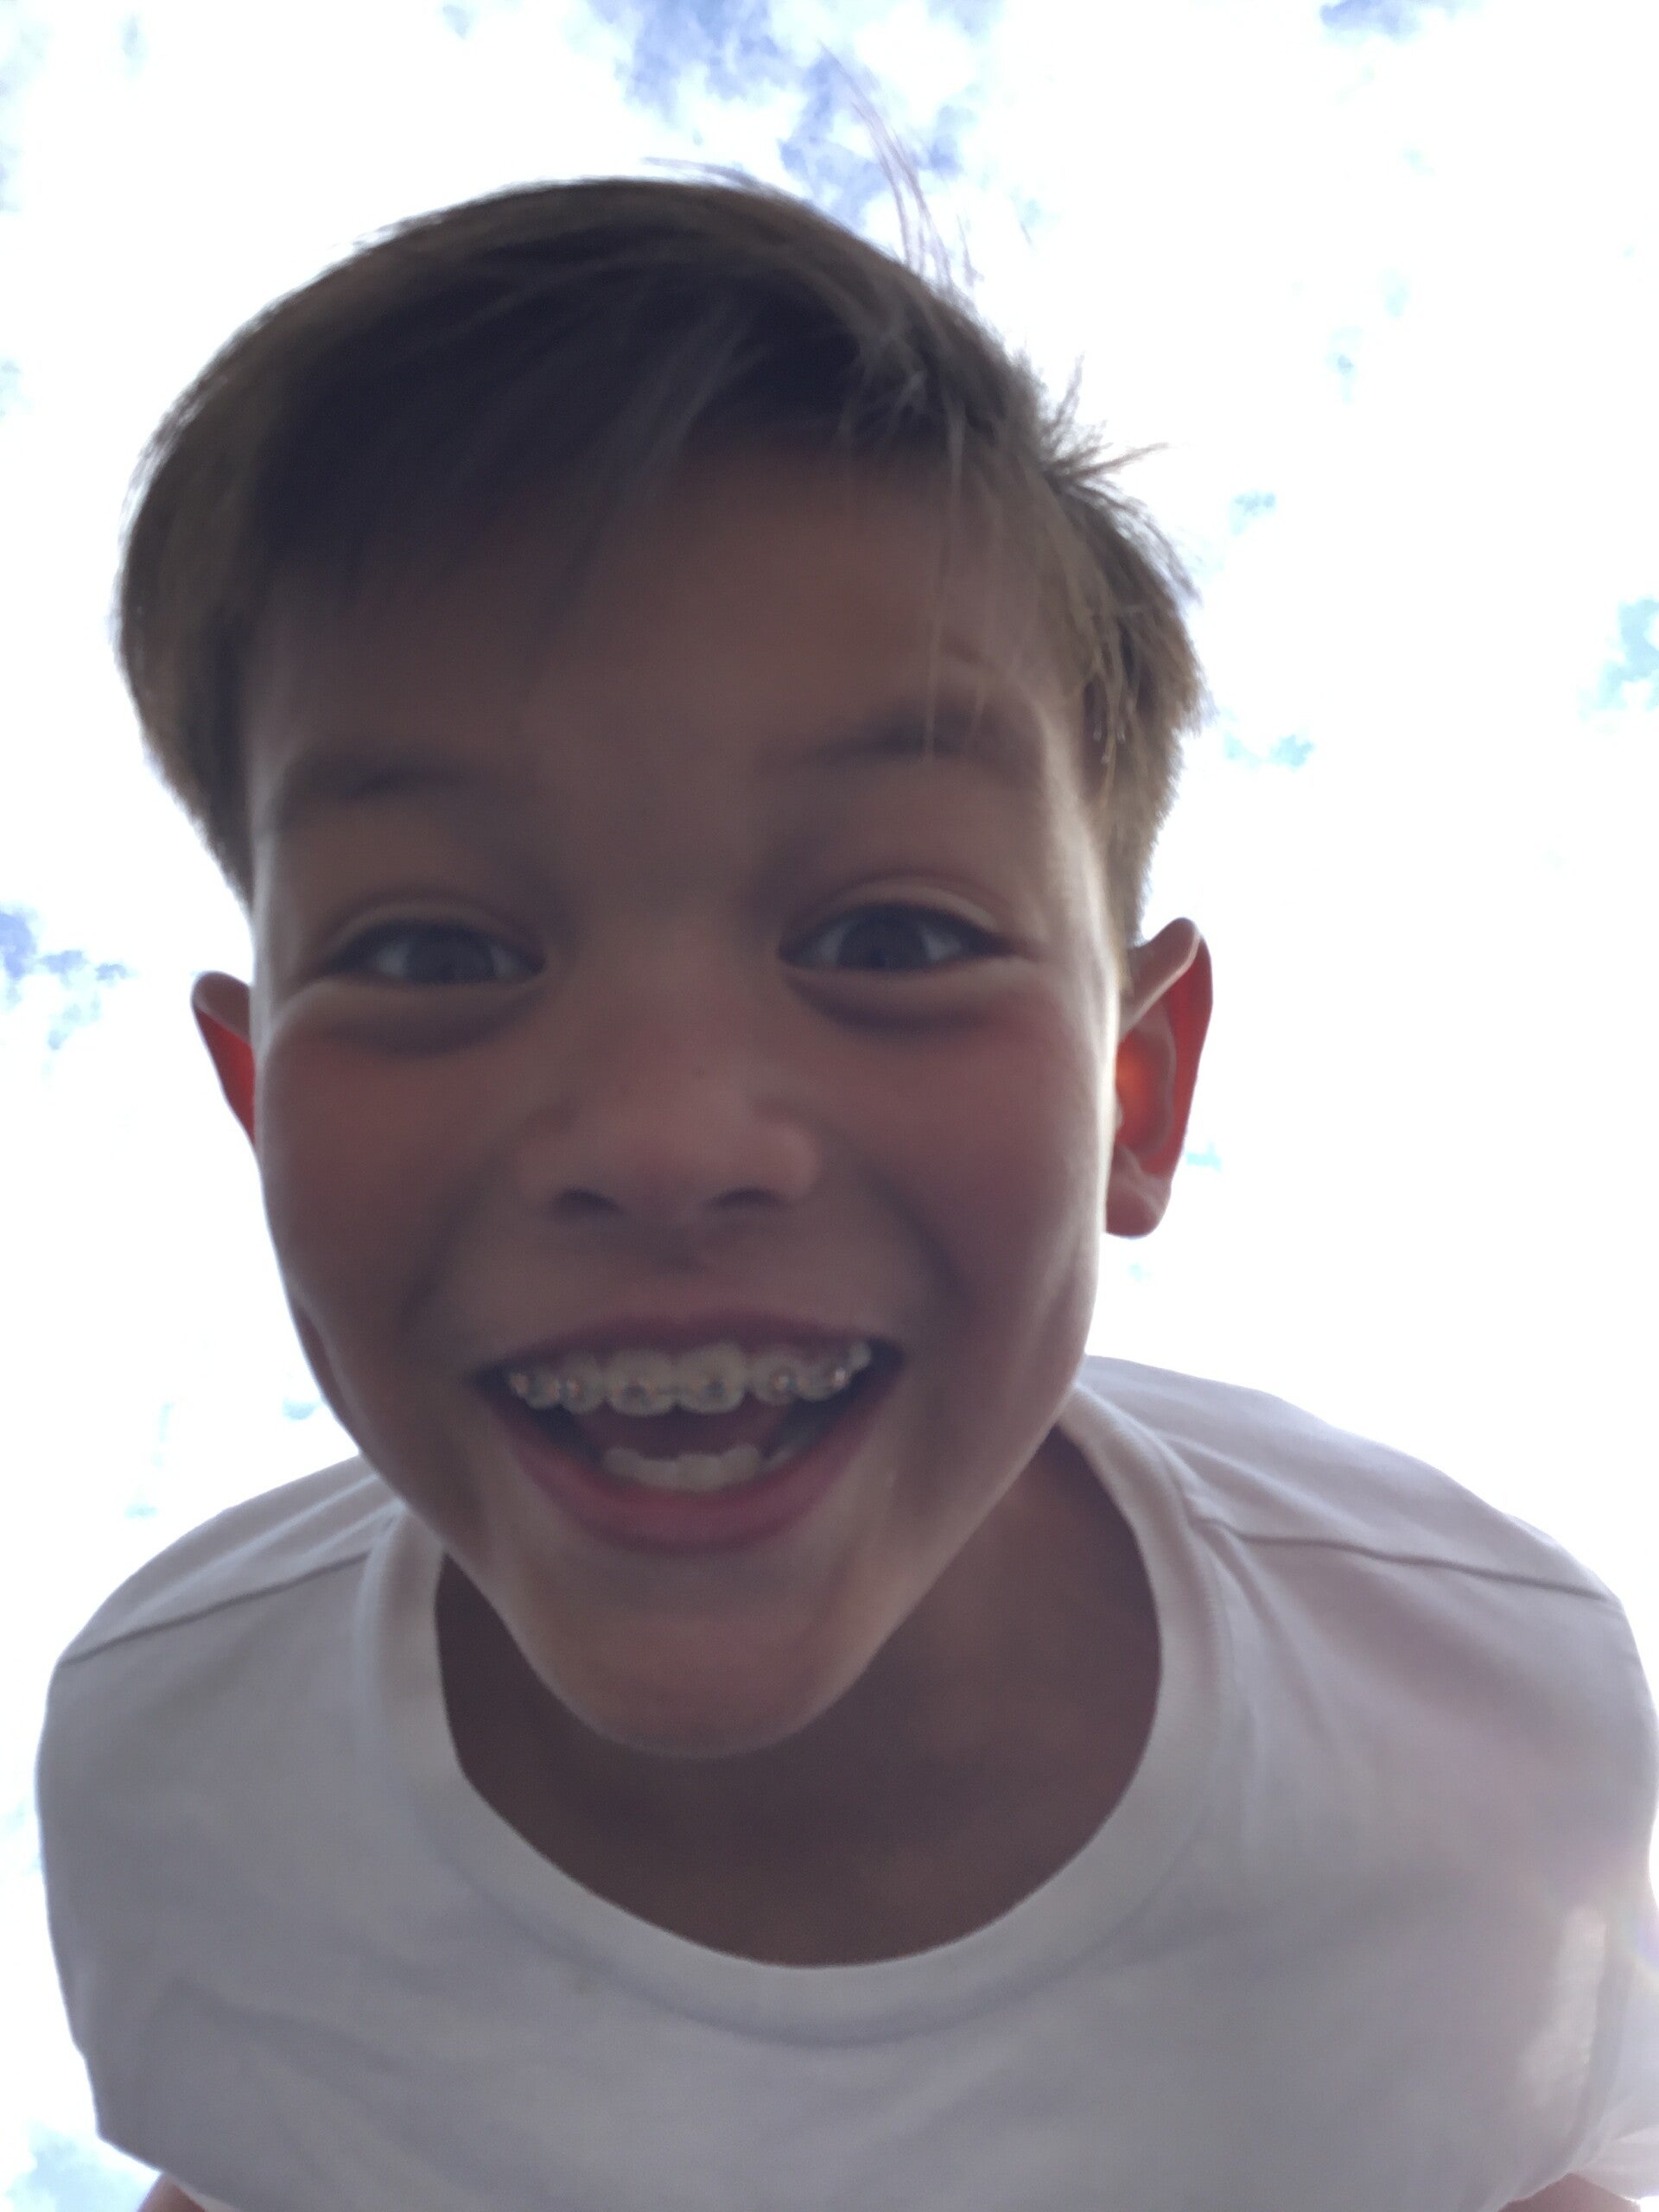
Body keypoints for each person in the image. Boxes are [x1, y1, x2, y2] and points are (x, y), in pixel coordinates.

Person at [34, 175, 1658, 2212]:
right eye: (434, 951)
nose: (665, 1134)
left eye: (894, 935)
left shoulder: (1486, 1739)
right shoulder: (175, 1772)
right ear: (260, 1104)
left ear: (1141, 1088)